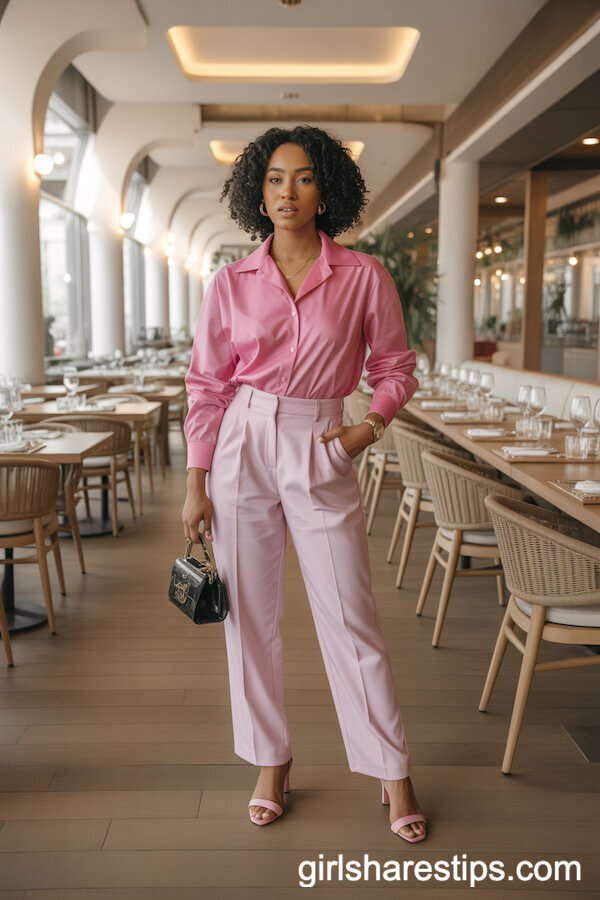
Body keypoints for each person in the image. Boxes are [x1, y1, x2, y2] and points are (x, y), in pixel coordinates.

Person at [181, 125, 426, 842]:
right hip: (242, 445)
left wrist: (366, 427)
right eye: (275, 179)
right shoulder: (230, 282)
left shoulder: (364, 277)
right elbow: (206, 384)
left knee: (351, 615)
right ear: (257, 190)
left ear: (328, 191)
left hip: (323, 439)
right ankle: (271, 762)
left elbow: (395, 368)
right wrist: (196, 480)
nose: (288, 192)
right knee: (248, 618)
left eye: (305, 178)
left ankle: (393, 769)